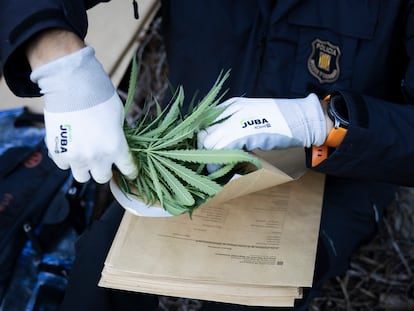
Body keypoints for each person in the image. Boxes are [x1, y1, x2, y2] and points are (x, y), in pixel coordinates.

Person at [1, 1, 414, 310]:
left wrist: (318, 121)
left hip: (328, 168)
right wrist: (58, 58)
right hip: (188, 152)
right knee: (97, 280)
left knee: (245, 295)